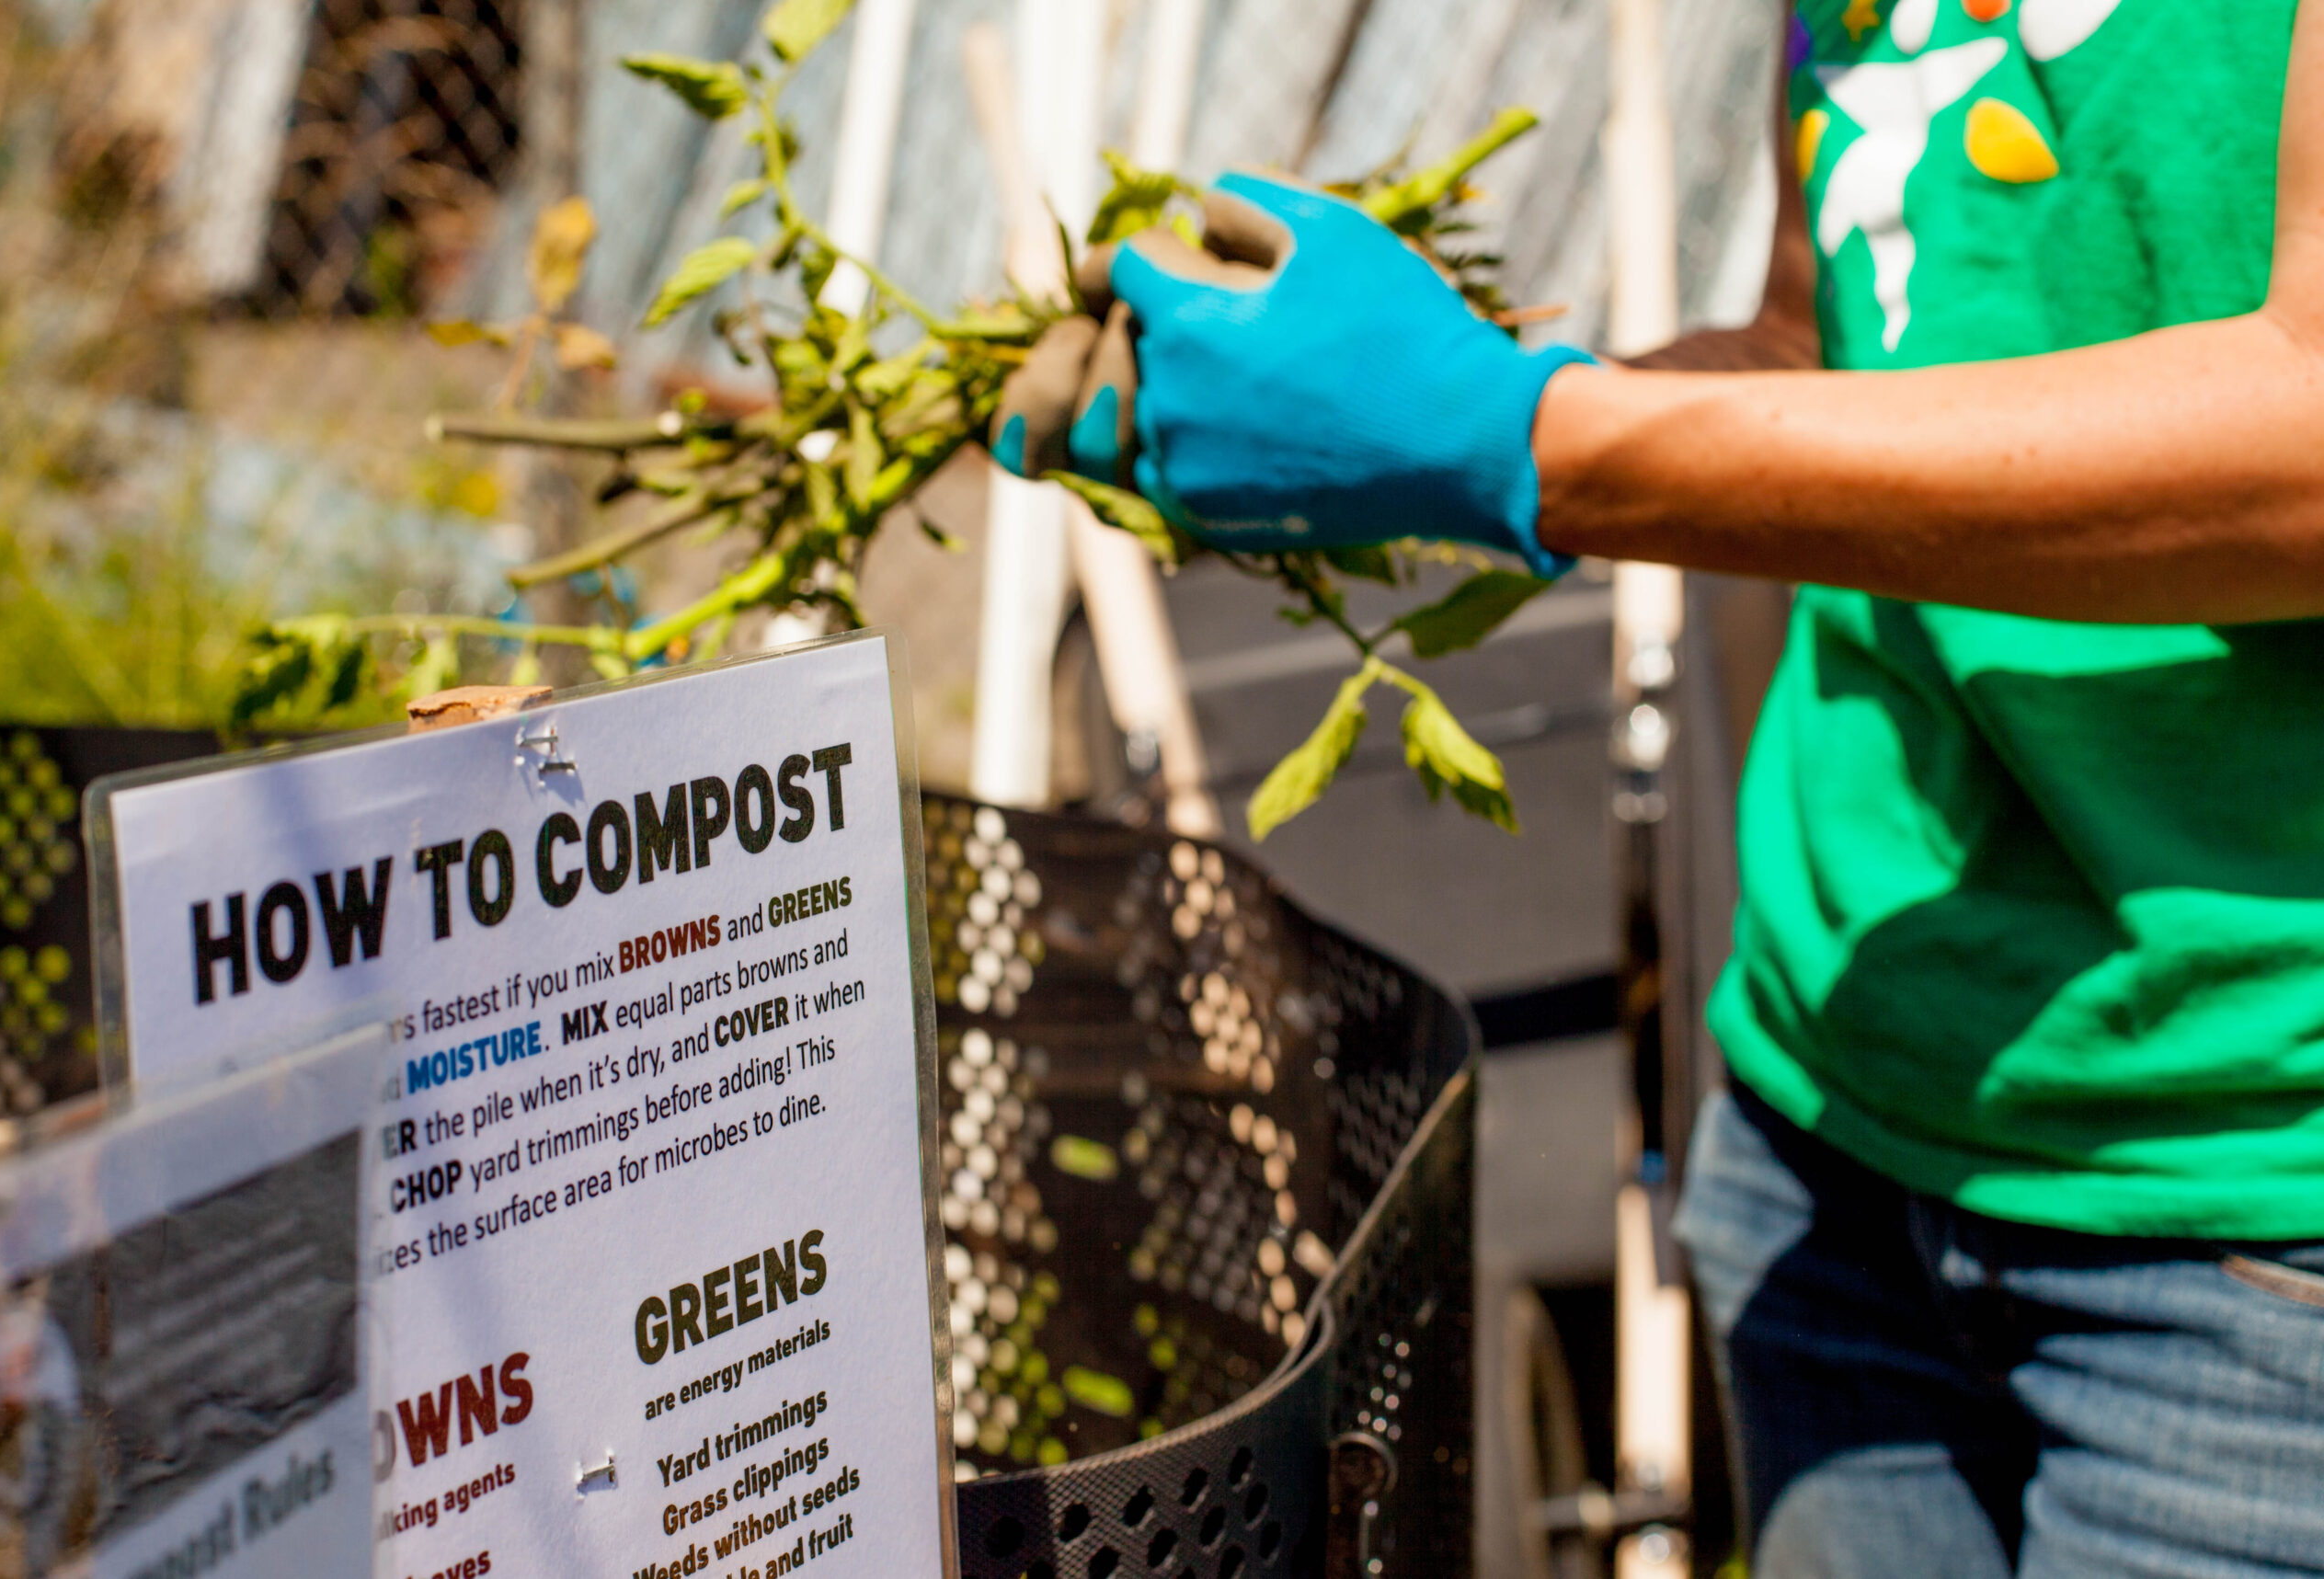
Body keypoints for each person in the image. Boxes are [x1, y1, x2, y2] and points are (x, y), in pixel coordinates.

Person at [990, 0, 2324, 1573]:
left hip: (2244, 1206)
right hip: (1834, 1120)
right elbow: (1826, 341)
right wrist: (1418, 412)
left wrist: (1529, 440)